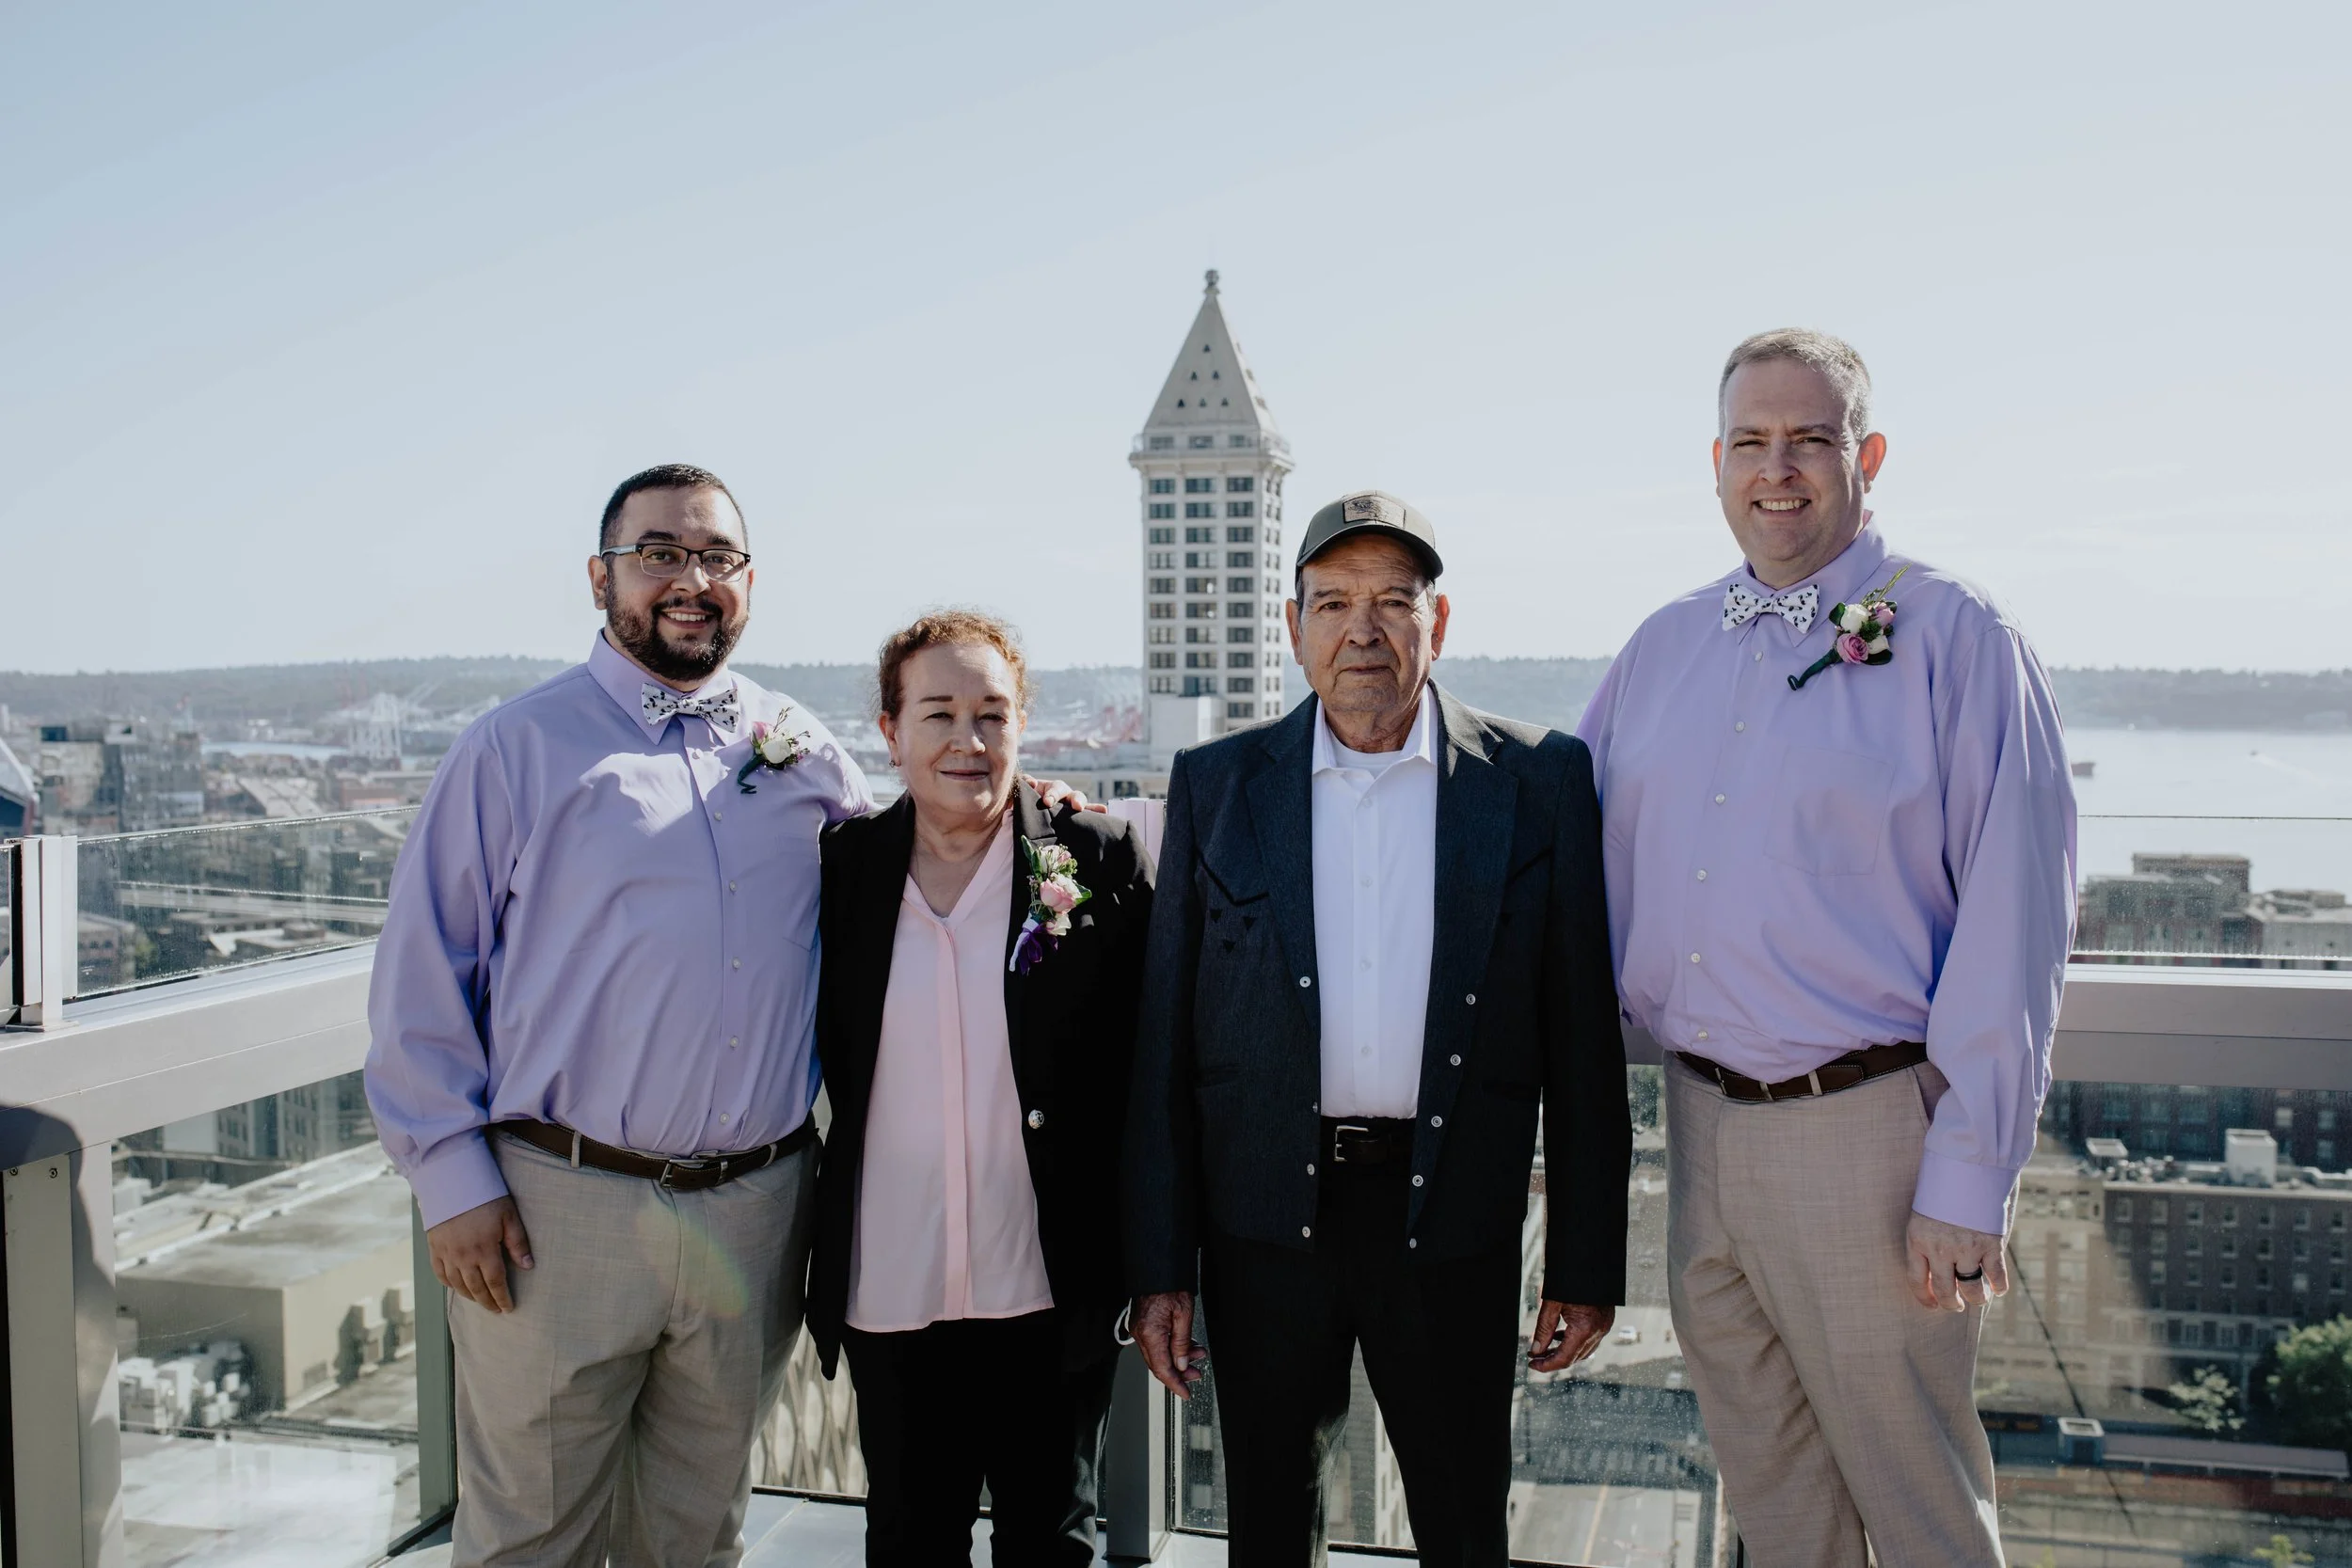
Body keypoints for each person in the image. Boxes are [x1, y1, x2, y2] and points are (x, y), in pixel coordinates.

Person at [1576, 330, 2076, 1566]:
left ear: (1870, 456)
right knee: (1780, 1510)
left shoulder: (1955, 638)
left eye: (1810, 437)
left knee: (1920, 1515)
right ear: (1717, 462)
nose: (1778, 466)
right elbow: (1551, 858)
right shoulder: (1662, 649)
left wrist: (1967, 1178)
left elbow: (2018, 921)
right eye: (1752, 440)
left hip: (1869, 1146)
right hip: (1694, 1135)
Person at [365, 463, 866, 1566]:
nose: (690, 579)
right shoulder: (514, 747)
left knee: (697, 1531)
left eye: (716, 556)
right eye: (659, 554)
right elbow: (421, 978)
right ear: (602, 579)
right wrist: (451, 1179)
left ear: (749, 581)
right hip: (557, 1212)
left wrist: (1048, 815)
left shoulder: (804, 750)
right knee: (530, 1536)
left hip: (758, 1209)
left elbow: (918, 885)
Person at [1124, 491, 1629, 1567]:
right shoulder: (1216, 785)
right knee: (1265, 1519)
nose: (1363, 628)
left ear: (1435, 627)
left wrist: (1585, 1257)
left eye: (1394, 601)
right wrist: (1161, 1263)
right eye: (1335, 601)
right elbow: (1164, 1041)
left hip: (1452, 1219)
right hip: (1262, 1224)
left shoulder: (1537, 782)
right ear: (1295, 624)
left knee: (1458, 1521)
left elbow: (1583, 1037)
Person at [803, 611, 1153, 1566]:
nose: (969, 740)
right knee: (910, 1539)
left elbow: (1149, 1074)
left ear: (1023, 725)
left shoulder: (1094, 859)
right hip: (893, 1283)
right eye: (940, 713)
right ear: (889, 729)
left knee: (1051, 1538)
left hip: (1046, 1281)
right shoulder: (840, 873)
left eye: (993, 714)